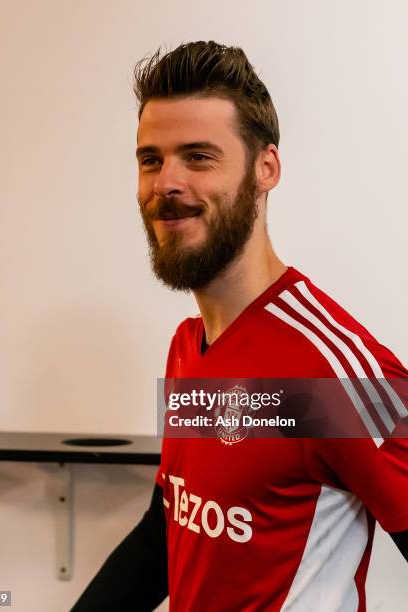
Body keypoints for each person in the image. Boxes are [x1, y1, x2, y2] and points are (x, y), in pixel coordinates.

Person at [71, 41, 408, 611]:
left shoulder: (332, 376)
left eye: (199, 157)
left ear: (265, 169)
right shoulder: (188, 347)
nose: (165, 183)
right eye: (150, 159)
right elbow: (168, 533)